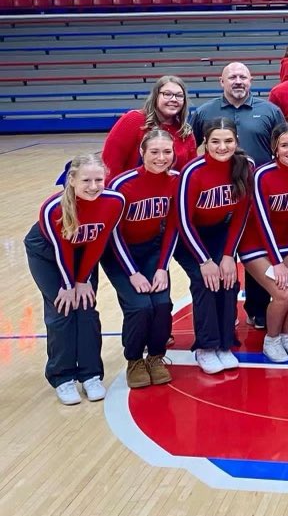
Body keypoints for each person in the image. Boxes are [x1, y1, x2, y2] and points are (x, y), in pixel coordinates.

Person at [190, 62, 285, 330]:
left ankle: (257, 309)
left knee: (258, 252)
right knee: (223, 256)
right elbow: (192, 147)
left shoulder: (269, 110)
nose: (238, 81)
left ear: (251, 80)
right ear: (222, 81)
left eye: (243, 76)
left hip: (259, 199)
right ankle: (224, 312)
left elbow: (283, 145)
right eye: (232, 77)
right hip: (220, 200)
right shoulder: (205, 112)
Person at [24, 154, 125, 405]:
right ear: (72, 180)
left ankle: (91, 374)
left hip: (85, 252)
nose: (93, 186)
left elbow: (99, 242)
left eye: (99, 179)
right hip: (47, 254)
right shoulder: (53, 208)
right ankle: (62, 377)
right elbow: (62, 249)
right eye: (86, 180)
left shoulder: (115, 201)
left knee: (87, 309)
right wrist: (69, 285)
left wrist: (83, 281)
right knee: (63, 309)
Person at [102, 130, 178, 389]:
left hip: (152, 251)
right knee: (139, 306)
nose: (161, 157)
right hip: (119, 255)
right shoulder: (121, 185)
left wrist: (162, 267)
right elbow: (113, 233)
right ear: (142, 153)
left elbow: (173, 227)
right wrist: (132, 273)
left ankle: (155, 357)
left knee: (162, 303)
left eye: (167, 152)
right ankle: (134, 360)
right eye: (154, 152)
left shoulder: (176, 181)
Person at [238, 124, 288, 363]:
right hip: (255, 245)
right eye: (284, 145)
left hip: (286, 242)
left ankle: (286, 335)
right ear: (275, 149)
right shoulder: (263, 174)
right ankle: (271, 339)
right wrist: (277, 263)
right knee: (283, 294)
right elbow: (261, 222)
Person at [177, 118, 252, 375]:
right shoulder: (192, 172)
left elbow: (241, 215)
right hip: (190, 237)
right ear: (205, 144)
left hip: (220, 232)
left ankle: (225, 343)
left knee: (229, 279)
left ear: (236, 142)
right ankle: (206, 347)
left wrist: (230, 255)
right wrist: (204, 260)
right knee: (205, 281)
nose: (222, 147)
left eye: (228, 141)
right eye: (215, 142)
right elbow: (183, 221)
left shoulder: (245, 166)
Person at [103, 75, 197, 177]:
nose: (174, 99)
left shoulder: (185, 131)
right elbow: (110, 164)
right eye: (167, 94)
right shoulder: (133, 120)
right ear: (156, 96)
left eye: (179, 95)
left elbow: (191, 173)